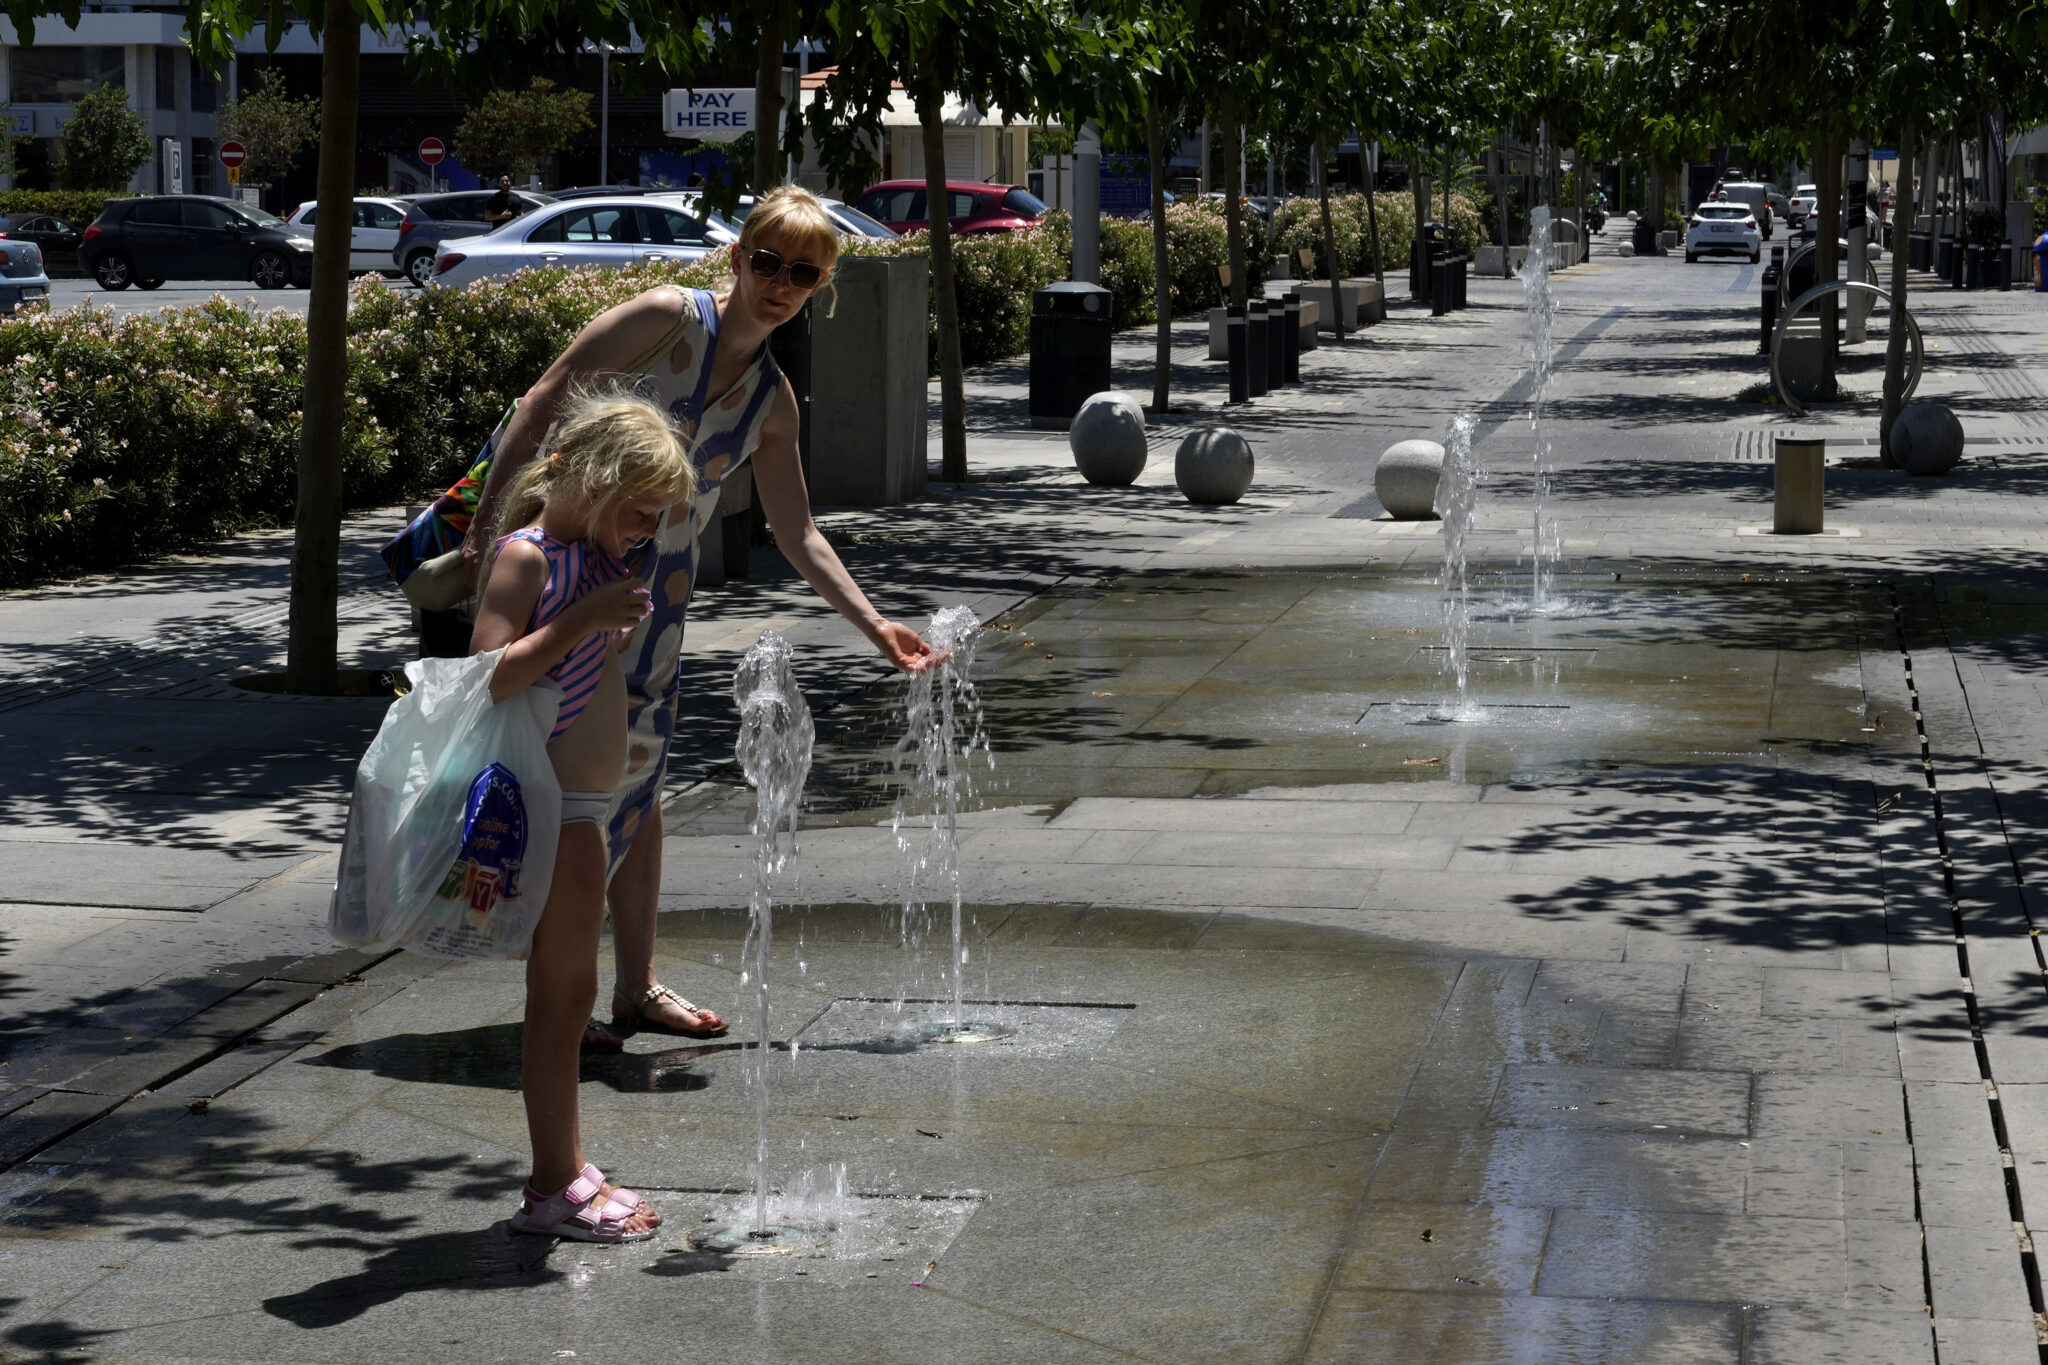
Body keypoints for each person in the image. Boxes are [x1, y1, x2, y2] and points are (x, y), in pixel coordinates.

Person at [458, 185, 934, 1050]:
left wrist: (877, 626)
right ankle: (558, 993)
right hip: (567, 580)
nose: (780, 283)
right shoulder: (665, 320)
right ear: (738, 255)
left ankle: (634, 988)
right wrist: (487, 529)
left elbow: (798, 532)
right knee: (553, 781)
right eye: (768, 261)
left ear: (821, 285)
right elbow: (547, 397)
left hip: (656, 609)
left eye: (803, 271)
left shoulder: (772, 402)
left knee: (638, 783)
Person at [469, 390, 696, 1241]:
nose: (645, 531)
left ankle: (564, 1163)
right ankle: (551, 1185)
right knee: (559, 995)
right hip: (551, 807)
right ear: (595, 480)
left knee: (575, 992)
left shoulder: (601, 563)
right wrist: (582, 621)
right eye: (639, 513)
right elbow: (488, 673)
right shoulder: (527, 560)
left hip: (586, 809)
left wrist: (605, 602)